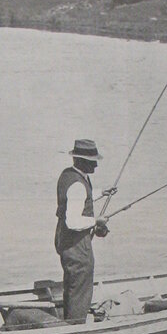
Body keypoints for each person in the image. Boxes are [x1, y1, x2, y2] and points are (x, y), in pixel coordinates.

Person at [54, 138, 110, 323]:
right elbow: (73, 221)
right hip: (76, 244)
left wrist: (102, 192)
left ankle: (70, 319)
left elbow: (79, 198)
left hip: (65, 240)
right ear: (80, 161)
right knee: (81, 282)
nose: (95, 164)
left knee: (73, 283)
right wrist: (96, 220)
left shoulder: (69, 175)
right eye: (92, 161)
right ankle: (75, 327)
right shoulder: (78, 184)